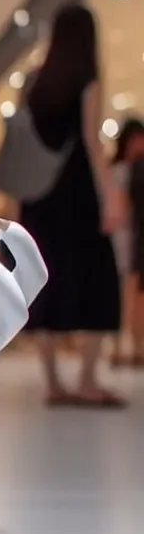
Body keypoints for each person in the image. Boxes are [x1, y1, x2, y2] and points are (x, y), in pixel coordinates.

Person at [18, 4, 124, 407]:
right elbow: (93, 145)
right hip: (77, 196)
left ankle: (52, 382)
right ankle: (87, 380)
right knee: (98, 282)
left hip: (39, 197)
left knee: (45, 281)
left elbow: (23, 146)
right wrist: (111, 195)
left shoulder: (32, 82)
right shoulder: (87, 80)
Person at [111, 117, 144, 366]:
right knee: (121, 293)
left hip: (133, 237)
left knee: (132, 295)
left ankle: (133, 346)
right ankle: (120, 346)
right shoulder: (120, 170)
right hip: (121, 237)